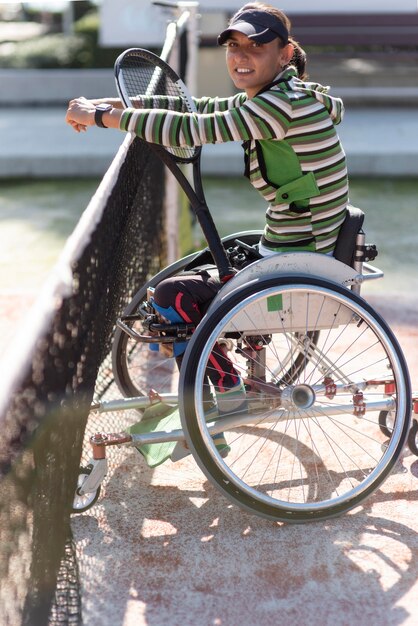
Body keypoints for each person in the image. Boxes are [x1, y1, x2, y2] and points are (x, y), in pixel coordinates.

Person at [66, 2, 349, 454]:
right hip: (297, 250)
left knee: (172, 297)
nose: (242, 55)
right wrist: (113, 105)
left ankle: (227, 397)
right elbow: (200, 107)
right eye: (234, 45)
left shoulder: (279, 107)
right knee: (201, 276)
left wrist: (101, 119)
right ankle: (221, 388)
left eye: (257, 46)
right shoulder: (281, 95)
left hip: (301, 264)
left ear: (285, 53)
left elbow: (196, 128)